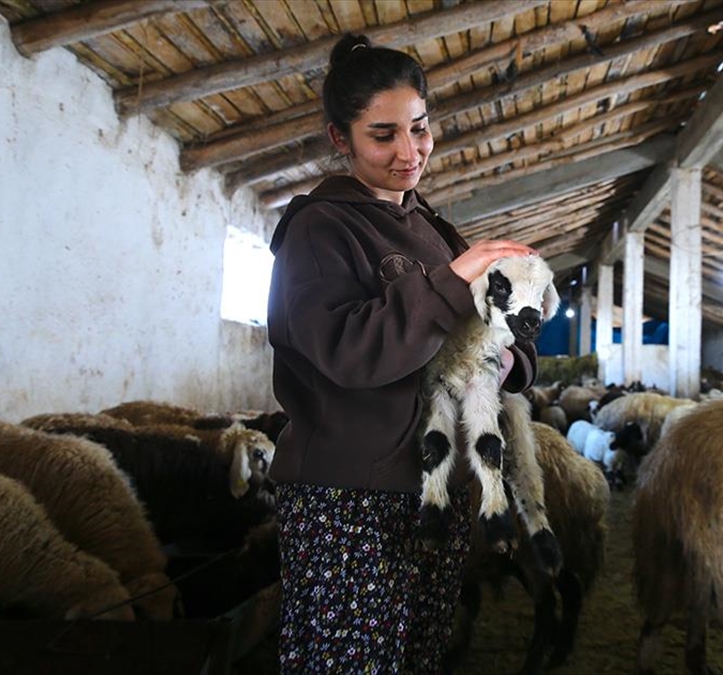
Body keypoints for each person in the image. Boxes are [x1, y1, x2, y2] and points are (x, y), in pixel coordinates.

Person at [265, 33, 539, 674]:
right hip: (350, 496)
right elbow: (349, 353)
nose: (409, 152)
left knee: (419, 653)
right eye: (382, 135)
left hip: (436, 488)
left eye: (419, 128)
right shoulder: (318, 229)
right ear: (341, 139)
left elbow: (504, 338)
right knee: (350, 663)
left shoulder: (438, 232)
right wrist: (453, 282)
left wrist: (503, 360)